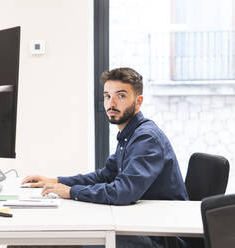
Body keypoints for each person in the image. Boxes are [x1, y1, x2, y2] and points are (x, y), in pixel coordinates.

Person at [21, 67, 188, 248]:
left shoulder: (146, 138)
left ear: (138, 102)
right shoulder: (129, 135)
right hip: (138, 223)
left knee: (48, 240)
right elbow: (105, 175)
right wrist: (56, 180)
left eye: (121, 96)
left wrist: (70, 192)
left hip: (159, 236)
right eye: (107, 96)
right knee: (40, 239)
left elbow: (123, 192)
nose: (111, 103)